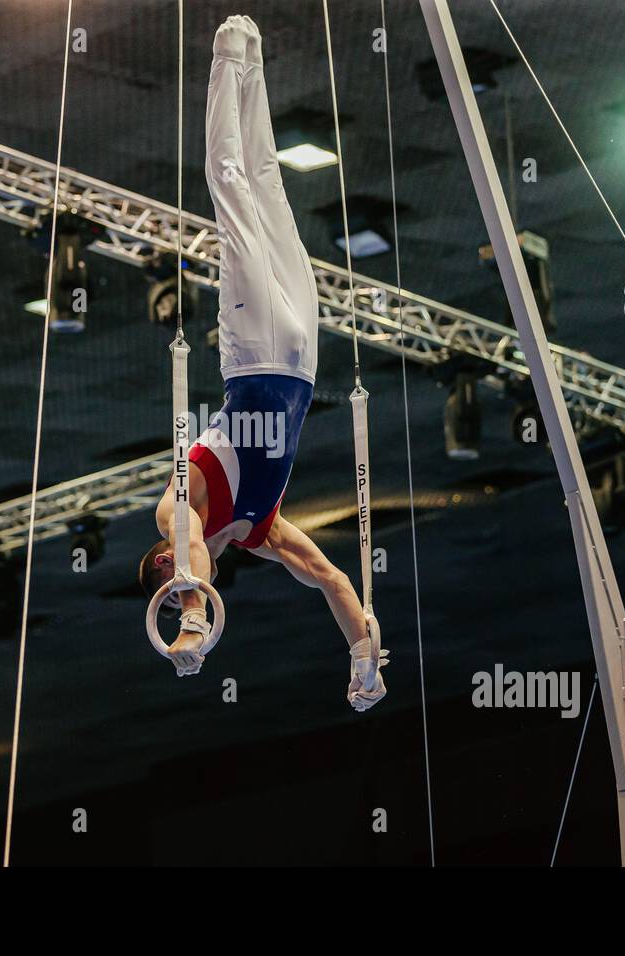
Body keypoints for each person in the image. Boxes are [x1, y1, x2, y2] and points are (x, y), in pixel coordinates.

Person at [138, 16, 387, 712]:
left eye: (173, 579)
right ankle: (255, 66)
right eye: (181, 586)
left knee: (231, 186)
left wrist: (192, 623)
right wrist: (363, 660)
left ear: (168, 572)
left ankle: (228, 56)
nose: (178, 567)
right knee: (268, 185)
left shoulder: (175, 508)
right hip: (302, 357)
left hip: (251, 354)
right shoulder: (260, 533)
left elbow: (186, 543)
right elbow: (334, 580)